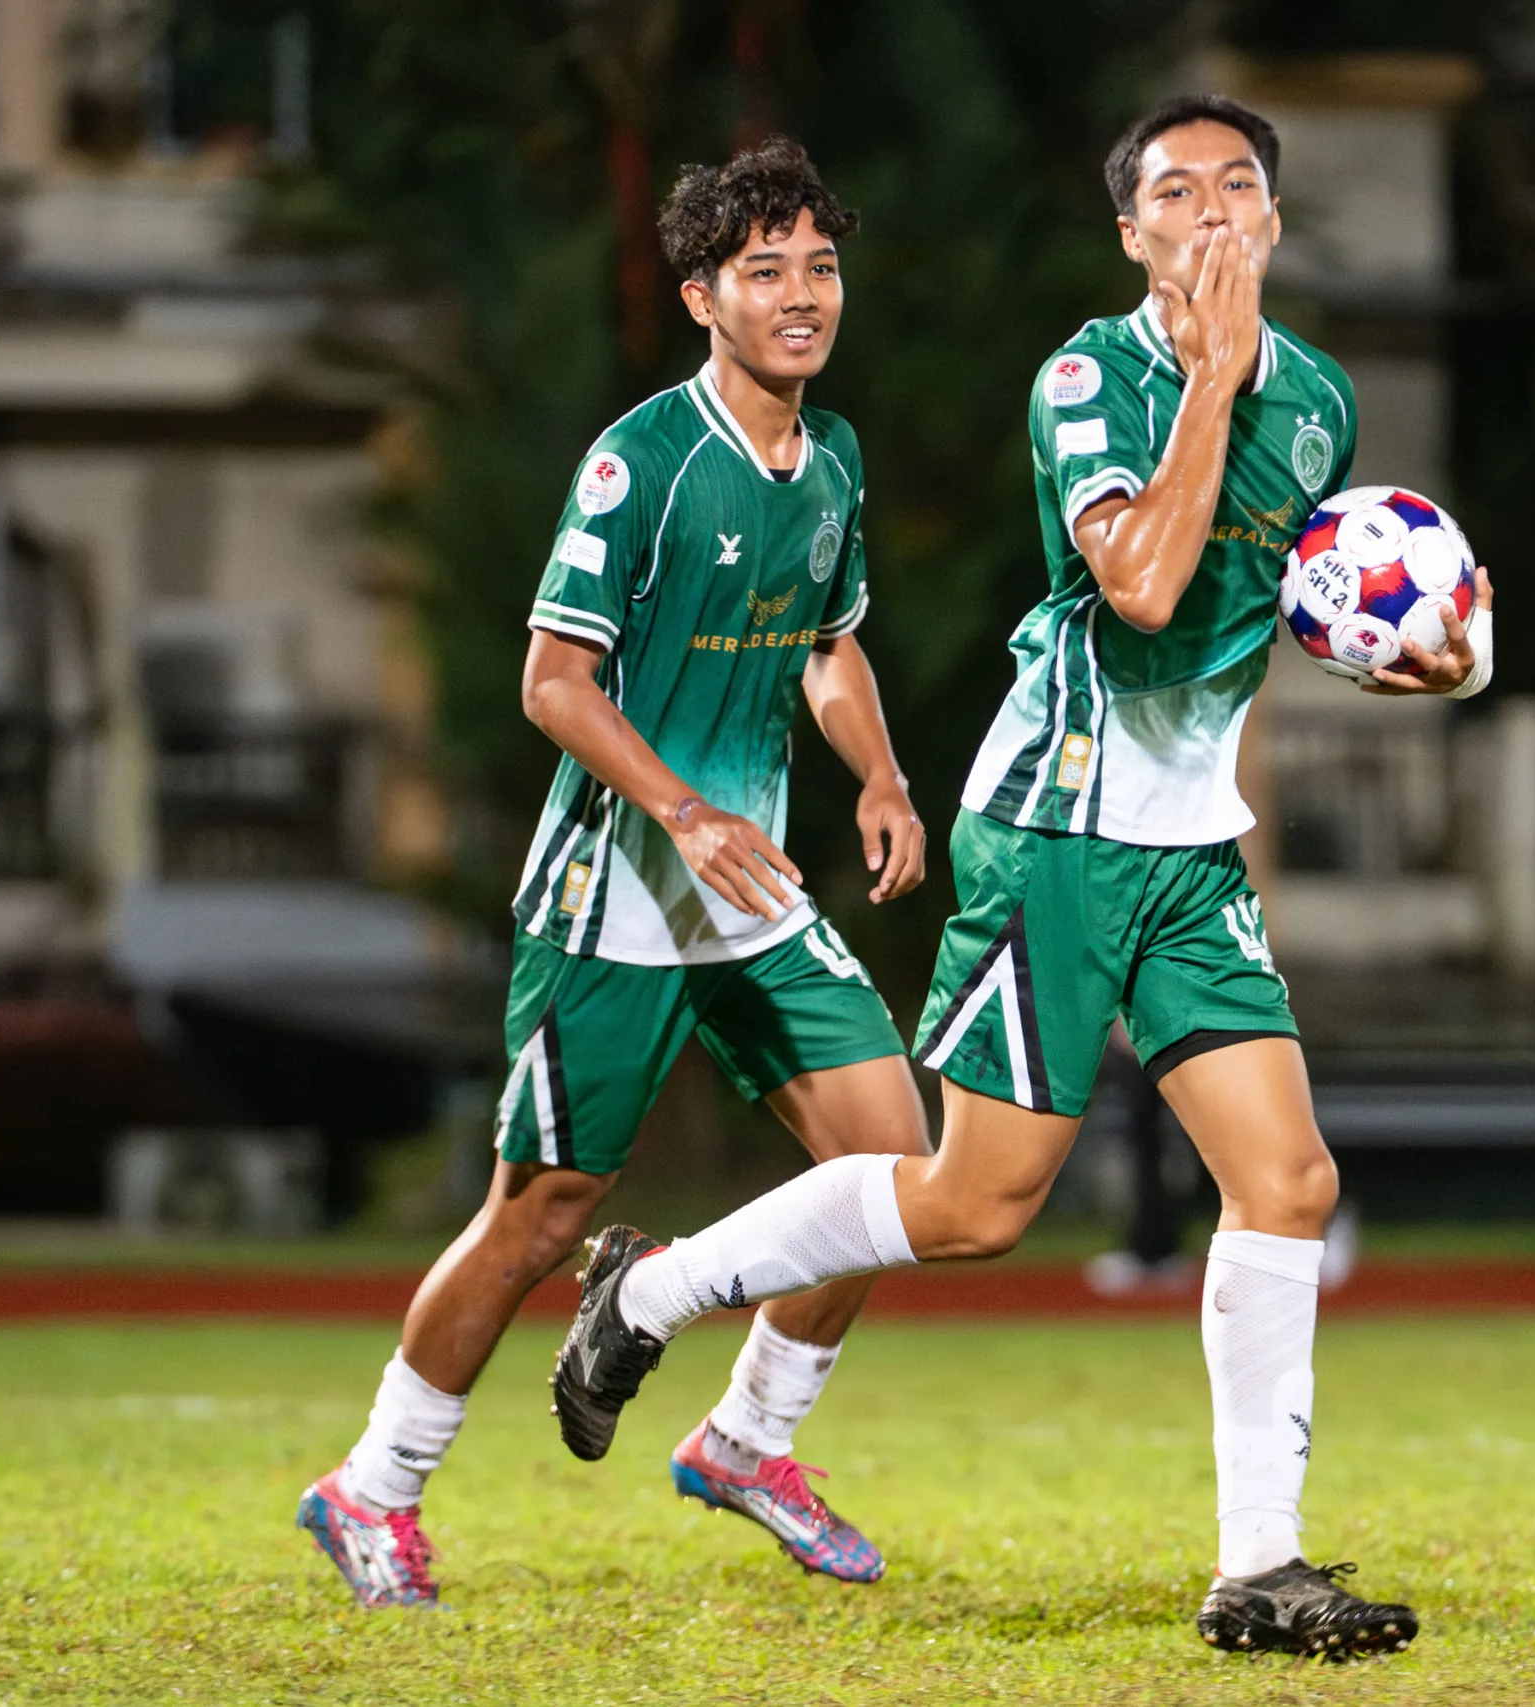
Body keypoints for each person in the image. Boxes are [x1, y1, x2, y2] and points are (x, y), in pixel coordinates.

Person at [550, 94, 1494, 1657]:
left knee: (1288, 1182)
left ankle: (1260, 1568)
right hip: (1057, 824)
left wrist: (1435, 659)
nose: (1211, 212)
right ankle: (650, 1292)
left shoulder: (1322, 398)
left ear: (1272, 219)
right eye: (1175, 192)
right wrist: (1208, 380)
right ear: (1132, 233)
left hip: (1188, 849)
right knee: (977, 1204)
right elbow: (1145, 588)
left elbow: (1293, 601)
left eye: (1239, 186)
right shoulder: (1089, 379)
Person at [298, 136, 932, 1608]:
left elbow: (829, 645)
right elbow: (552, 682)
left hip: (751, 897)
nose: (802, 295)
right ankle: (371, 1487)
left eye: (820, 267)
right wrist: (685, 811)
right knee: (539, 1214)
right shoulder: (639, 461)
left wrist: (883, 774)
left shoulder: (832, 457)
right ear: (703, 296)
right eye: (765, 271)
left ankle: (747, 1442)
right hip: (618, 896)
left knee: (893, 1172)